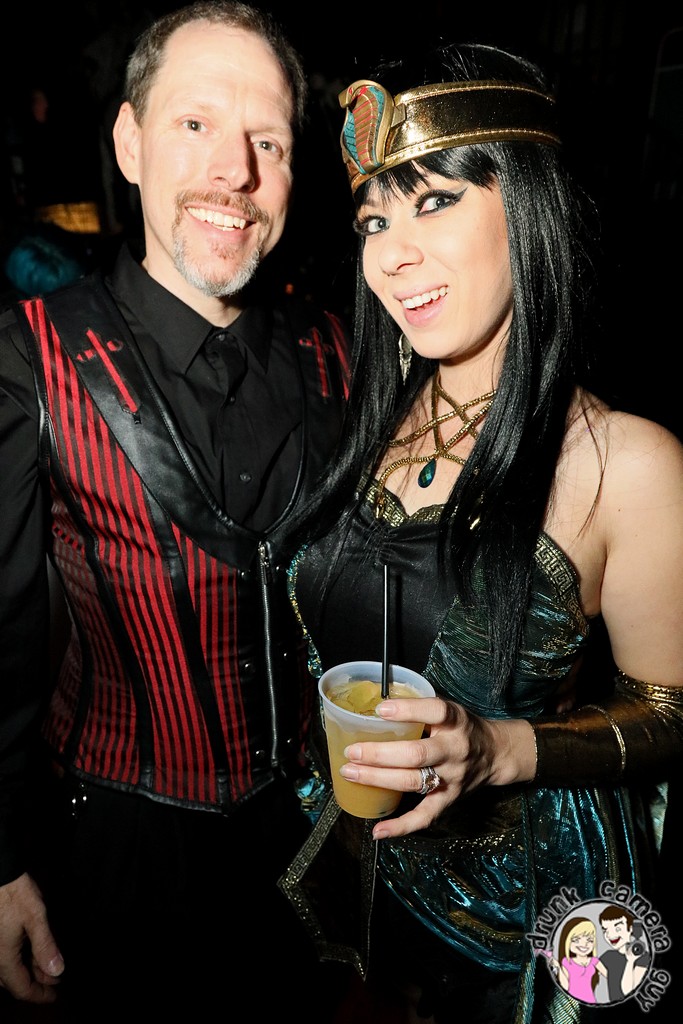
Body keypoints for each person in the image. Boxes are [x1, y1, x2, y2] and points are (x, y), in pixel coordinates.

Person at [276, 40, 683, 1024]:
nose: (389, 253)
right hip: (364, 888)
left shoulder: (625, 463)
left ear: (526, 208)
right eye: (374, 219)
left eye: (433, 201)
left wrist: (501, 749)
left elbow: (670, 712)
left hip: (537, 930)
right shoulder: (369, 413)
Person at [0, 3, 350, 1022]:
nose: (233, 171)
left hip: (310, 854)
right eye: (195, 123)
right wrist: (2, 862)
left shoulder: (338, 351)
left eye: (267, 141)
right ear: (130, 142)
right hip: (112, 857)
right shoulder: (28, 356)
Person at [598, 905, 651, 1003]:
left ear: (630, 929)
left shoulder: (643, 957)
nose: (610, 935)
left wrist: (630, 961)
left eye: (617, 929)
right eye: (605, 930)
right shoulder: (608, 956)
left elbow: (628, 991)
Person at [549, 917, 607, 1004]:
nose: (584, 944)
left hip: (590, 1002)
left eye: (590, 940)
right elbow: (566, 986)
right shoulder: (567, 962)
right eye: (576, 940)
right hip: (570, 1002)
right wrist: (558, 967)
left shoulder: (594, 961)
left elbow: (610, 976)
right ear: (567, 941)